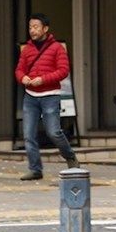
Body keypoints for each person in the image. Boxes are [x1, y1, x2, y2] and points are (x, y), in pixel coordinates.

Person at [14, 13, 79, 180]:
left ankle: (70, 157)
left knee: (54, 132)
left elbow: (63, 71)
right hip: (30, 97)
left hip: (50, 96)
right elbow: (19, 70)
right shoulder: (27, 49)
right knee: (28, 135)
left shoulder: (57, 48)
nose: (32, 30)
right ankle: (35, 169)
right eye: (30, 27)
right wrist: (23, 78)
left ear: (45, 29)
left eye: (36, 27)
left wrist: (42, 79)